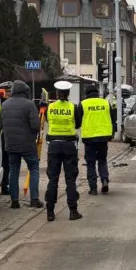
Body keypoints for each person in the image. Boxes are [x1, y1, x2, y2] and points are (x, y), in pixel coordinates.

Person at [0, 80, 43, 210]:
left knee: (13, 170)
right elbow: (35, 126)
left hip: (10, 145)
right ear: (24, 92)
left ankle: (14, 201)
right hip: (28, 144)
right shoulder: (29, 105)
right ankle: (34, 199)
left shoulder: (5, 105)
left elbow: (0, 125)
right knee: (34, 168)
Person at [45, 81, 82, 221]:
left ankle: (50, 212)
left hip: (53, 145)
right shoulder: (73, 107)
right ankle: (73, 211)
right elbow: (78, 124)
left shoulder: (51, 107)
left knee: (53, 179)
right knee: (70, 179)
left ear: (56, 93)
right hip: (69, 145)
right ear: (68, 94)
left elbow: (48, 120)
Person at [76, 85, 113, 195]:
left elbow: (78, 121)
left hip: (89, 138)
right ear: (97, 93)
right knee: (102, 160)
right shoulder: (105, 103)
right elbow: (112, 117)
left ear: (87, 94)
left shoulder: (83, 104)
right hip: (104, 137)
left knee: (91, 163)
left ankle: (93, 188)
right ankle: (104, 179)